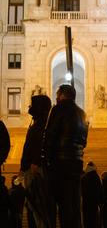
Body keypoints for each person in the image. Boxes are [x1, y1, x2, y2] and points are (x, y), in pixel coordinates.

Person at [43, 84, 88, 228]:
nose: (56, 98)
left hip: (59, 163)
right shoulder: (83, 114)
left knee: (55, 204)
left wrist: (46, 159)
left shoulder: (58, 109)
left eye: (57, 94)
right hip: (77, 163)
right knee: (72, 204)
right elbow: (84, 141)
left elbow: (50, 135)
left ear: (63, 95)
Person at [20, 94, 54, 228]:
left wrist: (34, 162)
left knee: (37, 207)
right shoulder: (40, 122)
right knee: (34, 206)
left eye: (32, 105)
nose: (29, 107)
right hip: (32, 167)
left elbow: (38, 144)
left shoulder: (41, 125)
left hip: (34, 170)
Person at [81, 161, 102, 228]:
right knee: (94, 219)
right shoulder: (96, 177)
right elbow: (100, 189)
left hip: (85, 202)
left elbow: (81, 190)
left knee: (86, 220)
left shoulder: (84, 178)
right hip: (94, 202)